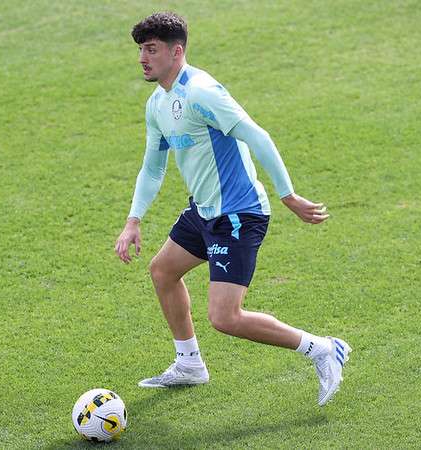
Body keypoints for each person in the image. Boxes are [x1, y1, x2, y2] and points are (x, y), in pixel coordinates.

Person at [114, 12, 350, 406]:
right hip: (205, 212)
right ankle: (189, 364)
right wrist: (132, 221)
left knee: (225, 318)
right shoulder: (158, 104)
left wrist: (288, 194)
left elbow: (257, 135)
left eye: (151, 49)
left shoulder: (202, 93)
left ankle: (324, 349)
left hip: (238, 215)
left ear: (177, 51)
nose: (142, 57)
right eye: (141, 49)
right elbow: (152, 168)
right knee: (162, 271)